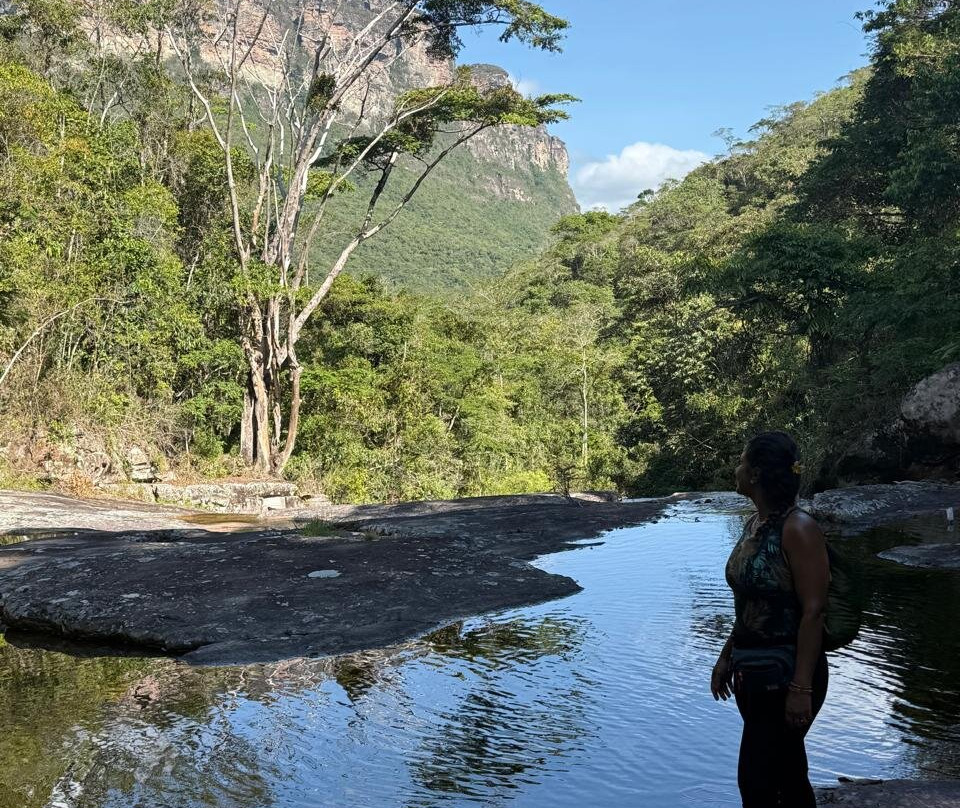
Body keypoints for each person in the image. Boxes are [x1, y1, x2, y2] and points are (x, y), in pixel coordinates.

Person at [711, 430, 831, 808]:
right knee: (788, 774)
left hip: (789, 673)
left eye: (743, 460)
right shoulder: (754, 524)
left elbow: (814, 611)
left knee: (757, 781)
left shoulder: (799, 529)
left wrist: (800, 689)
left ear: (757, 473)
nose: (737, 467)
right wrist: (726, 654)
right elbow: (749, 602)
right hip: (753, 669)